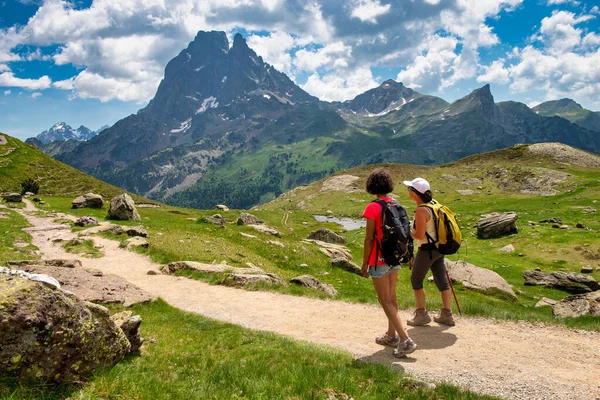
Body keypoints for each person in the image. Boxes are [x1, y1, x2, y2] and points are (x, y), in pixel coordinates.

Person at [362, 168, 417, 358]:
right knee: (392, 297)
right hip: (394, 257)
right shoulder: (395, 204)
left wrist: (364, 264)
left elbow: (369, 238)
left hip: (378, 259)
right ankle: (391, 336)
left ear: (371, 185)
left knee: (385, 300)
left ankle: (405, 340)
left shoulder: (373, 207)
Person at [403, 177, 455, 326]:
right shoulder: (434, 204)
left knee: (416, 279)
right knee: (441, 280)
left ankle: (421, 314)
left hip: (427, 249)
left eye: (410, 189)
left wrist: (406, 232)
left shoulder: (421, 210)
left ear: (415, 193)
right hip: (439, 248)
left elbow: (419, 235)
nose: (408, 191)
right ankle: (447, 314)